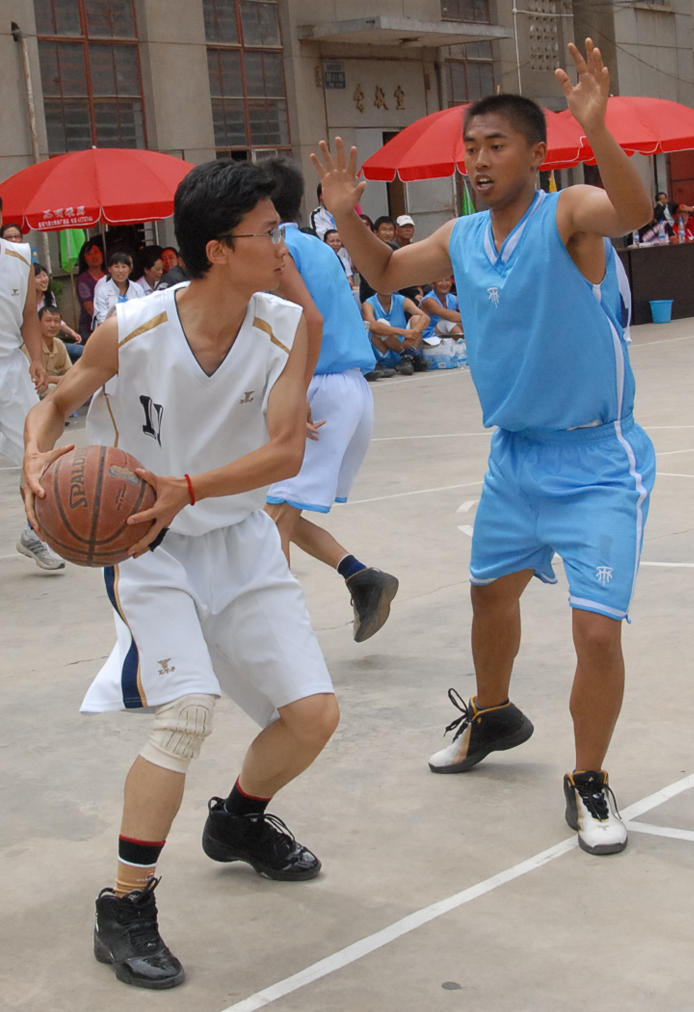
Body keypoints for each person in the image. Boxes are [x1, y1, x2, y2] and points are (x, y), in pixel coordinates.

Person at [313, 40, 656, 857]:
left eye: (495, 145)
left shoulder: (567, 218)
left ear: (536, 154)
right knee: (488, 598)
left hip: (596, 460)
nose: (477, 160)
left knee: (596, 634)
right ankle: (492, 715)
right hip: (514, 458)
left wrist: (596, 127)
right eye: (470, 147)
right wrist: (346, 213)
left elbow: (632, 211)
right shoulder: (462, 236)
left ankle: (587, 778)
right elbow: (385, 273)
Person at [22, 158, 340, 989]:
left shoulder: (285, 326)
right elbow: (57, 403)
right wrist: (35, 455)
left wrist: (190, 487)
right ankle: (124, 905)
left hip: (238, 538)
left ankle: (238, 820)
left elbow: (285, 451)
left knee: (313, 717)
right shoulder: (129, 328)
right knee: (186, 712)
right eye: (268, 232)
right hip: (147, 545)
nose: (283, 244)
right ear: (216, 249)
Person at [262, 156, 399, 642]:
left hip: (319, 386)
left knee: (272, 521)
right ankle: (361, 577)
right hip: (350, 386)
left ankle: (280, 640)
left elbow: (308, 320)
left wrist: (296, 394)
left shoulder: (277, 249)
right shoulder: (318, 247)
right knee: (275, 506)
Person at [0, 198, 63, 571]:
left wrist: (37, 359)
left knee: (35, 452)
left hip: (10, 367)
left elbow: (28, 314)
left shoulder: (19, 257)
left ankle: (34, 533)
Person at [363, 290, 430, 375]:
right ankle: (408, 356)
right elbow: (373, 326)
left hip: (405, 344)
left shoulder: (402, 300)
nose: (386, 287)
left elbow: (426, 317)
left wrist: (414, 332)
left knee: (417, 318)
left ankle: (408, 357)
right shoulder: (368, 303)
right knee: (381, 323)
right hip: (386, 350)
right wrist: (403, 332)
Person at [33, 262, 83, 359]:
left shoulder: (49, 296)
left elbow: (56, 319)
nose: (43, 280)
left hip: (51, 341)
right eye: (38, 277)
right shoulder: (25, 301)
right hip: (34, 344)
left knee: (82, 352)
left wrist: (71, 332)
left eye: (45, 275)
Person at [23, 306, 72, 388]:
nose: (53, 325)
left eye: (56, 321)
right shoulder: (31, 346)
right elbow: (34, 378)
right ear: (38, 323)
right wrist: (61, 379)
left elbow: (69, 372)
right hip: (33, 387)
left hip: (57, 386)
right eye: (48, 321)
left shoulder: (59, 344)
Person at [92, 251, 145, 327]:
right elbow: (102, 318)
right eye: (116, 267)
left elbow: (143, 312)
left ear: (130, 269)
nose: (120, 270)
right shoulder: (102, 291)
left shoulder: (137, 289)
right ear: (109, 269)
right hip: (110, 330)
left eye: (124, 267)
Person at [76, 239, 106, 340]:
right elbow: (90, 308)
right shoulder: (83, 279)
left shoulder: (109, 275)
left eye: (96, 252)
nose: (94, 256)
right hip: (90, 327)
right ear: (84, 258)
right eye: (89, 254)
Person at [420, 276, 464, 342]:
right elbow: (450, 316)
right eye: (440, 280)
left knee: (463, 324)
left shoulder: (452, 298)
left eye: (447, 280)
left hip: (445, 335)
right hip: (428, 337)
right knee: (447, 322)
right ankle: (463, 344)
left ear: (451, 282)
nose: (444, 284)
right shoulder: (428, 300)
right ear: (433, 283)